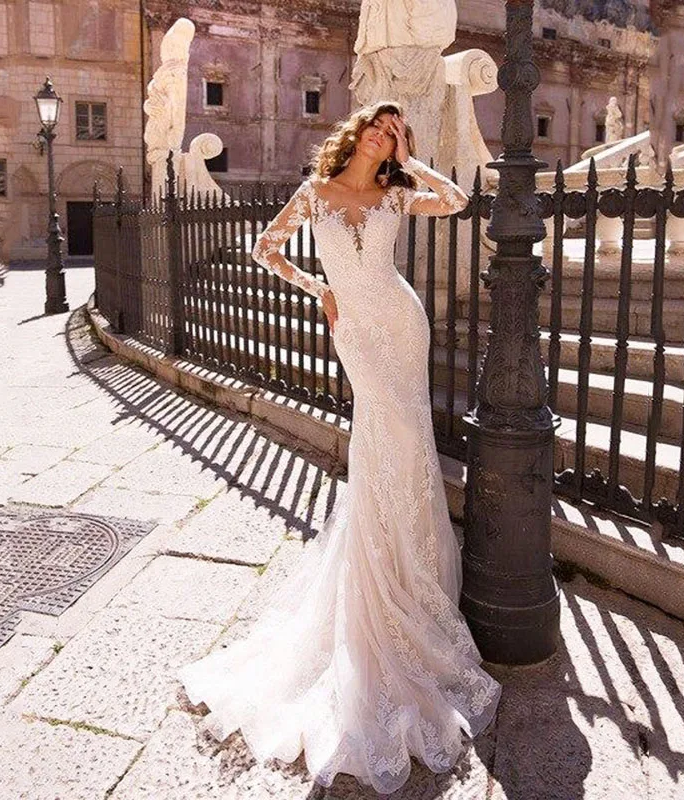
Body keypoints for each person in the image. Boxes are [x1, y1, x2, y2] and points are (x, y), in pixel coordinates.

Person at [177, 100, 501, 795]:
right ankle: (376, 578)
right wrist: (316, 287)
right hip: (354, 325)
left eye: (395, 133)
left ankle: (411, 573)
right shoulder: (315, 192)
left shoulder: (396, 192)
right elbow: (266, 249)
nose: (385, 138)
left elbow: (458, 199)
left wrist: (411, 161)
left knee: (408, 444)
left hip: (401, 321)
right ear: (356, 133)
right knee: (382, 437)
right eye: (379, 129)